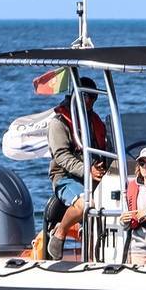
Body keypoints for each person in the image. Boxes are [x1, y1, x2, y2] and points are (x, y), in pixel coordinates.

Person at [46, 76, 108, 260]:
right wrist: (86, 170)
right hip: (66, 178)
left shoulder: (94, 121)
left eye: (94, 97)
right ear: (77, 96)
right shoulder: (59, 123)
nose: (90, 101)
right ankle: (60, 232)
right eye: (87, 96)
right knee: (86, 203)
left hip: (95, 175)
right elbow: (62, 156)